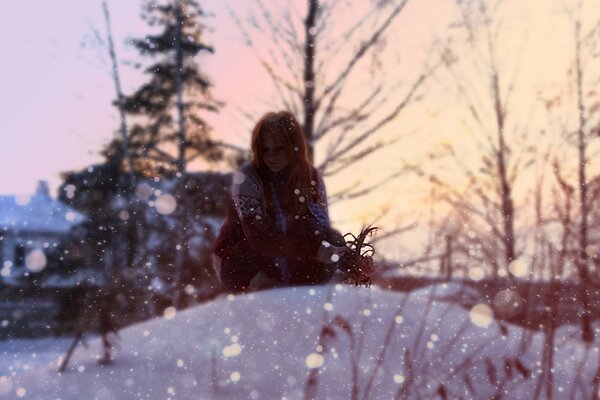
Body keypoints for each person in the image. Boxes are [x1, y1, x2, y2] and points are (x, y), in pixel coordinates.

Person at [213, 111, 348, 292]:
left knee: (332, 239)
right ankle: (263, 291)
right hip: (245, 259)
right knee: (259, 244)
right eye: (265, 150)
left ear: (294, 147)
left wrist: (338, 254)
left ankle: (307, 294)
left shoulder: (310, 176)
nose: (271, 157)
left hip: (288, 255)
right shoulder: (248, 178)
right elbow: (258, 238)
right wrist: (313, 251)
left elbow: (320, 228)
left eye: (278, 148)